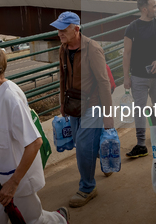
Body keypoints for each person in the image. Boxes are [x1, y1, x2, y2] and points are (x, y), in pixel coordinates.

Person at [0, 47, 69, 224]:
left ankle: (60, 220)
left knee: (33, 220)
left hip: (16, 180)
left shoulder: (10, 99)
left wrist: (13, 183)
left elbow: (34, 143)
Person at [53, 11, 114, 208]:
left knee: (83, 148)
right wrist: (62, 102)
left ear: (76, 29)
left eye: (63, 29)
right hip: (73, 104)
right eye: (58, 30)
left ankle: (88, 187)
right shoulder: (63, 48)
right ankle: (103, 158)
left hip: (93, 105)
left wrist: (108, 117)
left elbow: (104, 83)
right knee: (82, 143)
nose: (59, 33)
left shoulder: (93, 49)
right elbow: (62, 77)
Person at [123, 0, 156, 158]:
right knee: (139, 109)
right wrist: (126, 77)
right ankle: (141, 144)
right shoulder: (132, 27)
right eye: (154, 6)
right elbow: (127, 53)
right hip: (138, 76)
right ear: (145, 9)